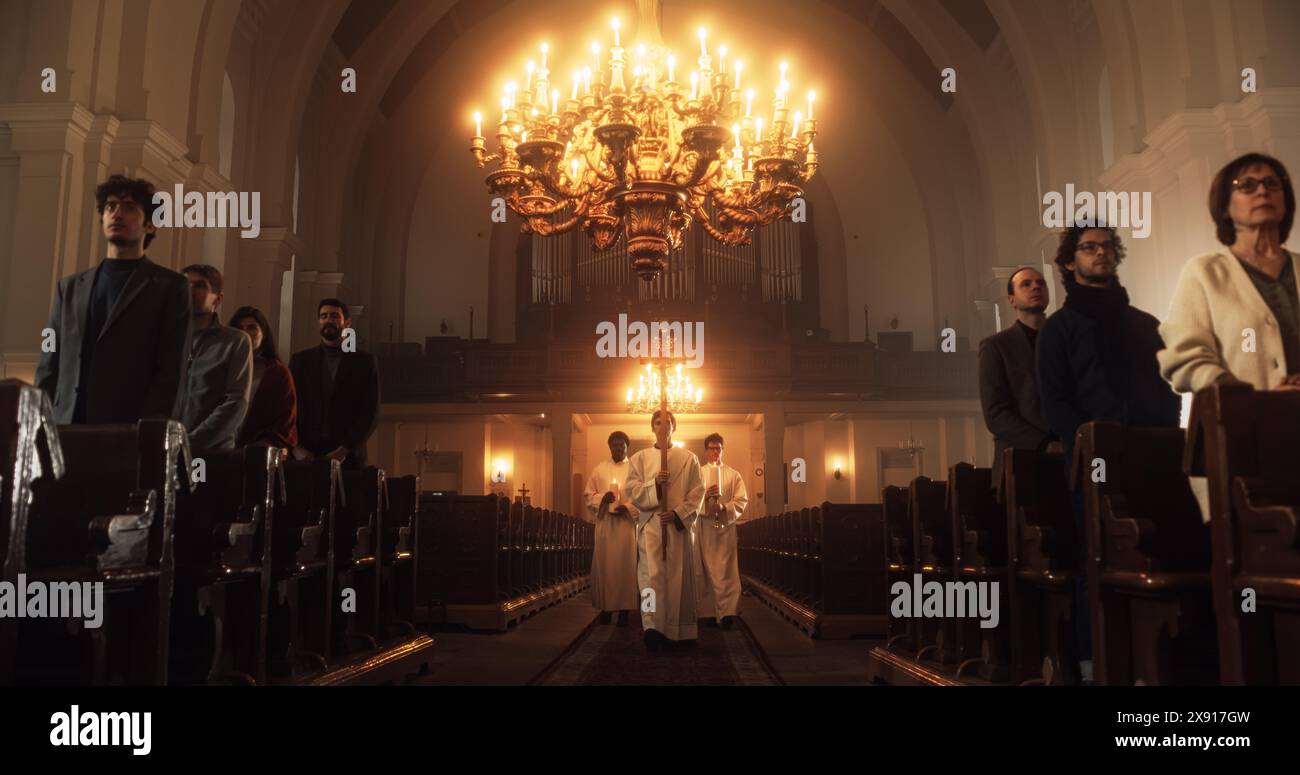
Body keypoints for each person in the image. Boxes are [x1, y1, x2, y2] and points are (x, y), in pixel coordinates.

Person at [1036, 222, 1181, 684]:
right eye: (1089, 247)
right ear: (1068, 261)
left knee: (1166, 554)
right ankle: (1092, 664)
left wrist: (1156, 439)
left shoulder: (1146, 325)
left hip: (1152, 461)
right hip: (1093, 465)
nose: (1101, 253)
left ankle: (1164, 663)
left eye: (1107, 247)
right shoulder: (1057, 330)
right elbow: (1056, 402)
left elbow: (1168, 392)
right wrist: (1088, 447)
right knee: (1094, 559)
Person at [35, 175, 190, 424]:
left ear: (150, 225)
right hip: (66, 423)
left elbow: (172, 368)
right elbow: (49, 357)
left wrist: (152, 428)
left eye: (129, 208)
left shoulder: (170, 287)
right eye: (110, 206)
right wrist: (40, 420)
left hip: (129, 426)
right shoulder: (70, 287)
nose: (117, 214)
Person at [1159, 152, 1299, 393]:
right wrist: (1240, 393)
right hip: (1243, 425)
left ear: (1285, 202)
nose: (1262, 191)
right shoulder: (1204, 273)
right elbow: (1184, 359)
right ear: (1224, 206)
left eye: (1272, 183)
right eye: (1247, 185)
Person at [623, 410, 705, 651]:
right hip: (651, 527)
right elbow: (632, 490)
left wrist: (679, 513)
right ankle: (652, 628)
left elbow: (697, 492)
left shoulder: (689, 458)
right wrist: (654, 486)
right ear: (652, 427)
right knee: (649, 579)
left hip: (677, 530)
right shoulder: (639, 458)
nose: (663, 426)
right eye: (658, 422)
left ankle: (680, 630)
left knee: (677, 578)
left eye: (668, 422)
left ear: (674, 427)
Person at [978, 266, 1060, 489]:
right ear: (1011, 300)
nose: (1036, 286)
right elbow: (996, 414)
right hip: (1020, 466)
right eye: (1026, 284)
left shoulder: (1064, 342)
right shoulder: (996, 346)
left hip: (1067, 463)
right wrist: (1045, 444)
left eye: (1041, 283)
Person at [289, 298, 380, 468]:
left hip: (349, 456)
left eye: (334, 316)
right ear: (319, 322)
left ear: (347, 322)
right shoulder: (300, 361)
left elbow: (370, 412)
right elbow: (288, 408)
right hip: (306, 454)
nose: (328, 320)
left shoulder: (364, 362)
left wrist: (344, 450)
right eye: (323, 316)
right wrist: (296, 448)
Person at [179, 265, 251, 451]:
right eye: (186, 284)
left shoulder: (235, 341)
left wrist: (191, 442)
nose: (190, 290)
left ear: (218, 299)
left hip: (212, 452)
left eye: (200, 286)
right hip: (167, 450)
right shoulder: (166, 338)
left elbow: (236, 402)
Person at [582, 431, 640, 626]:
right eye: (615, 445)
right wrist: (602, 499)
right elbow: (588, 494)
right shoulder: (600, 469)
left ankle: (624, 610)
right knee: (606, 566)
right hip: (606, 525)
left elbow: (642, 497)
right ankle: (606, 609)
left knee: (626, 567)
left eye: (621, 445)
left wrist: (629, 506)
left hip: (625, 526)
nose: (618, 448)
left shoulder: (635, 469)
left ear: (627, 446)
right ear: (609, 447)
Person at [695, 433, 749, 630]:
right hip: (705, 527)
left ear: (723, 449)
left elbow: (741, 500)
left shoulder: (733, 474)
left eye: (718, 448)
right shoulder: (698, 474)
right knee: (706, 568)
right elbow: (690, 501)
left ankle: (727, 612)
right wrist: (704, 499)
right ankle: (709, 611)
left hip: (725, 528)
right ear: (705, 450)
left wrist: (724, 508)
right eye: (711, 448)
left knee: (726, 569)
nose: (715, 452)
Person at [229, 306, 299, 448]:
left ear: (264, 334)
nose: (245, 333)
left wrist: (262, 444)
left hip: (257, 452)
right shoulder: (223, 367)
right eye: (239, 328)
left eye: (252, 328)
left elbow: (285, 421)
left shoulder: (277, 373)